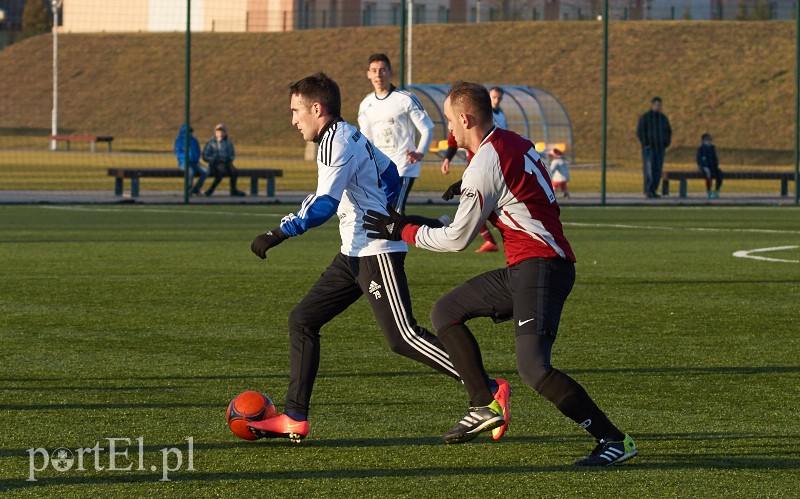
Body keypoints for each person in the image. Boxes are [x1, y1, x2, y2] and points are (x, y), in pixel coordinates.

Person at [364, 81, 637, 464]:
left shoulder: (485, 164)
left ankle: (613, 440)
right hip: (529, 266)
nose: (449, 132)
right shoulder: (513, 140)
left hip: (542, 268)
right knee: (446, 311)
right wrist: (470, 186)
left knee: (534, 369)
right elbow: (520, 181)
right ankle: (484, 403)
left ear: (465, 118)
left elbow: (457, 239)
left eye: (449, 122)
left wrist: (402, 229)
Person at [245, 72, 510, 443]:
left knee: (402, 337)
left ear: (316, 109)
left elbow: (323, 205)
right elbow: (389, 172)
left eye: (296, 111)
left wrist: (277, 233)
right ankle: (295, 416)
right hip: (352, 252)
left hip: (375, 252)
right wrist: (385, 207)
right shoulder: (349, 133)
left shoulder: (334, 143)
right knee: (303, 321)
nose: (293, 120)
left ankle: (487, 387)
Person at [358, 54, 438, 221]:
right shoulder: (366, 104)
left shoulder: (405, 99)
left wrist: (420, 152)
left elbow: (427, 129)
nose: (378, 75)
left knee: (395, 215)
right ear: (368, 74)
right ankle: (439, 224)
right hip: (381, 167)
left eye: (382, 70)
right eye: (374, 71)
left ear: (390, 72)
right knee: (386, 215)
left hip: (404, 165)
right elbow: (367, 140)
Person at [441, 131, 499, 253]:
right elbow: (452, 142)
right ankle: (490, 241)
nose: (450, 127)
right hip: (475, 169)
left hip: (483, 169)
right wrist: (447, 159)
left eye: (450, 120)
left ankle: (491, 241)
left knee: (475, 206)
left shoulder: (480, 126)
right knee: (477, 206)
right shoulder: (481, 120)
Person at [636, 96, 672, 198]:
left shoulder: (663, 118)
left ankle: (654, 190)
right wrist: (646, 143)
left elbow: (668, 131)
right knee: (649, 169)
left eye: (660, 105)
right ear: (652, 105)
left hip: (660, 148)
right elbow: (640, 131)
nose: (658, 106)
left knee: (657, 169)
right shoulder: (645, 117)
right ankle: (648, 190)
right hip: (649, 148)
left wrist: (666, 142)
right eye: (656, 104)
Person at [202, 123, 246, 197]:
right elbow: (205, 155)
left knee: (234, 172)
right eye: (218, 132)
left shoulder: (228, 143)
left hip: (226, 162)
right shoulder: (210, 143)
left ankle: (233, 190)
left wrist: (229, 159)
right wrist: (213, 159)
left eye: (222, 132)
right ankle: (210, 190)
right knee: (221, 172)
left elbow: (232, 154)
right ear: (215, 132)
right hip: (215, 163)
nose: (220, 133)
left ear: (225, 133)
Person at [173, 124, 208, 196]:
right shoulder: (179, 141)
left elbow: (198, 151)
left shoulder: (194, 140)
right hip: (184, 163)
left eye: (190, 131)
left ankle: (196, 188)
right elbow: (178, 152)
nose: (189, 133)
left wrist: (196, 157)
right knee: (190, 172)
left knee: (206, 171)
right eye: (186, 131)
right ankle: (188, 190)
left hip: (195, 163)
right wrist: (186, 157)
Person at [696, 133, 723, 199]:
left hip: (713, 167)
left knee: (720, 174)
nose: (709, 141)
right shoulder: (701, 149)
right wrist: (703, 166)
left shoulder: (712, 148)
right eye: (707, 139)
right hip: (705, 167)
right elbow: (699, 159)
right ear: (703, 141)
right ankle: (709, 192)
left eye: (710, 139)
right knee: (708, 174)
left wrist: (715, 164)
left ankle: (717, 190)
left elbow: (715, 158)